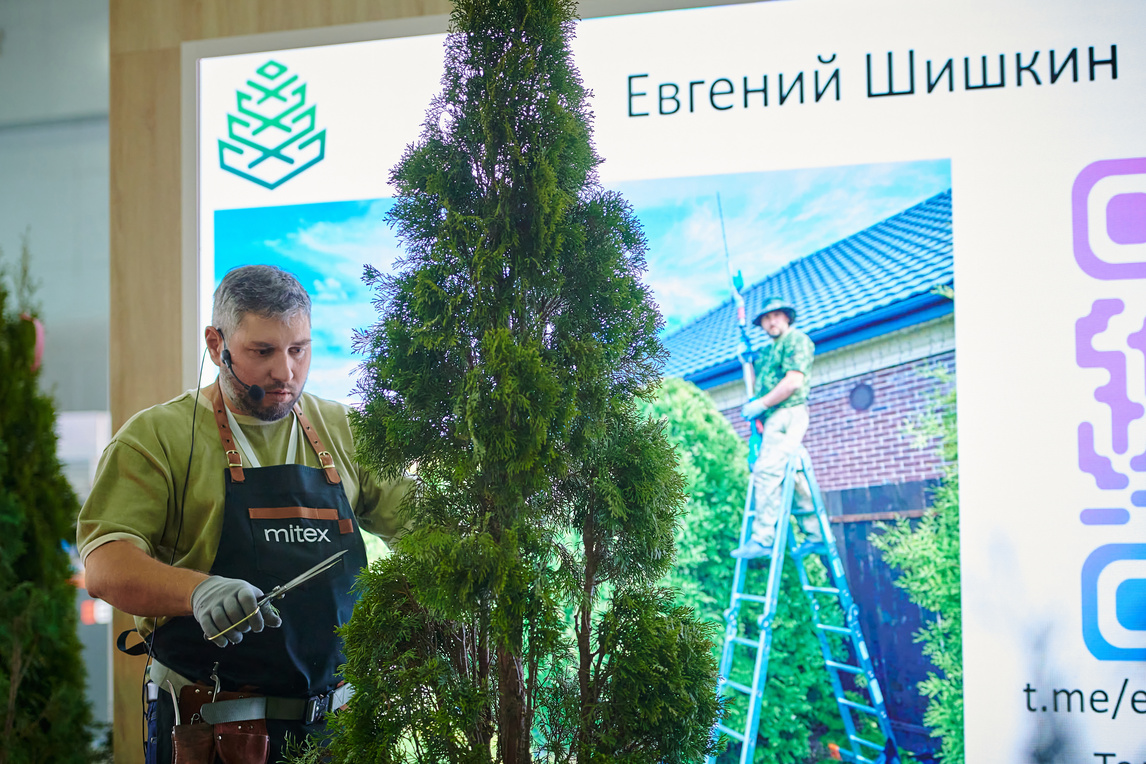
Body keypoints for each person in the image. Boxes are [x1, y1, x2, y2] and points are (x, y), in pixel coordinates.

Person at [78, 265, 410, 763]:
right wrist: (197, 591)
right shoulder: (157, 438)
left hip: (337, 729)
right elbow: (105, 566)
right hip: (213, 732)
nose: (285, 372)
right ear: (217, 346)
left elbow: (425, 526)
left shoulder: (344, 429)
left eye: (298, 350)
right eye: (263, 352)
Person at [731, 297, 821, 559]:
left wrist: (762, 404)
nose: (771, 322)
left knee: (767, 470)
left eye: (776, 316)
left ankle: (762, 539)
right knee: (793, 475)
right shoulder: (768, 351)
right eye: (766, 319)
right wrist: (747, 361)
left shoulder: (796, 340)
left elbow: (793, 381)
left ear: (786, 317)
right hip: (772, 417)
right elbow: (758, 383)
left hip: (788, 413)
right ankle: (816, 534)